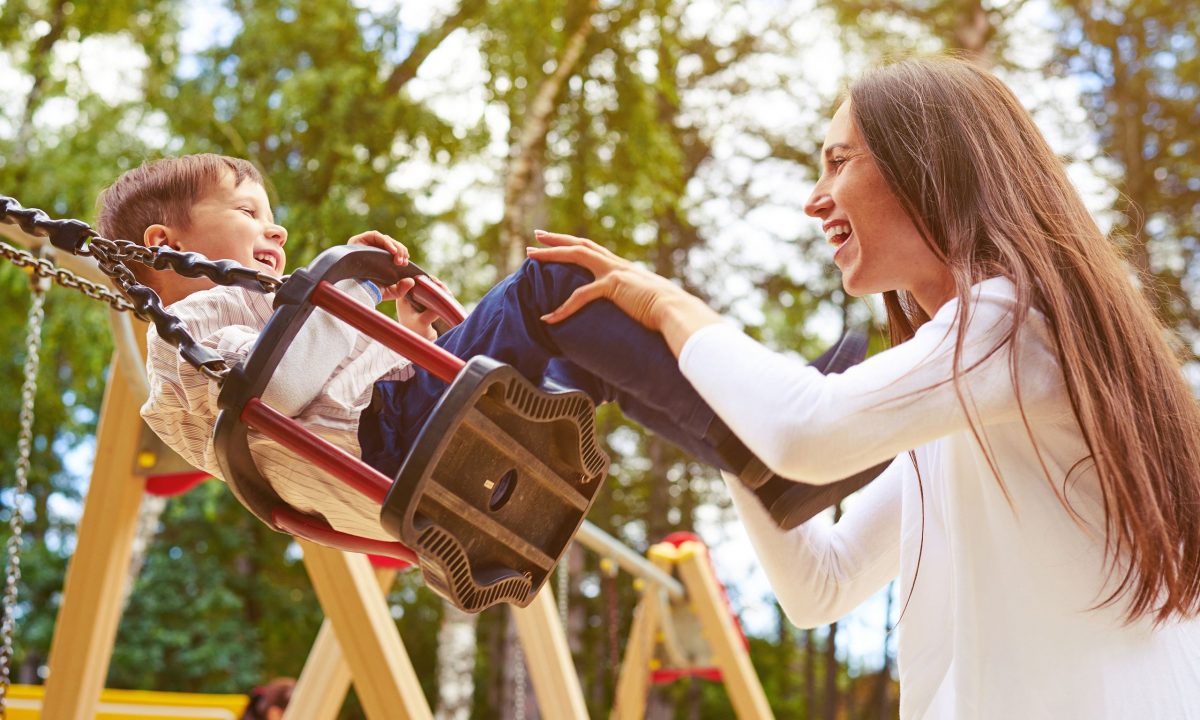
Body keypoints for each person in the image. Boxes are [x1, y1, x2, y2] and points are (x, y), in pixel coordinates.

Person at [527, 56, 1200, 718]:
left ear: (928, 166)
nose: (814, 198)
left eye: (839, 161)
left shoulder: (1015, 324)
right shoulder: (970, 403)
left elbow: (808, 431)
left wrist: (670, 307)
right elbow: (823, 584)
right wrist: (713, 412)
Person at [98, 153, 864, 542]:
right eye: (246, 211)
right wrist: (350, 286)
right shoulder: (191, 324)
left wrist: (412, 333)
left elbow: (330, 387)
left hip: (399, 440)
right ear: (164, 245)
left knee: (586, 345)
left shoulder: (257, 311)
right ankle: (766, 428)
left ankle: (760, 460)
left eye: (273, 216)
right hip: (397, 442)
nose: (276, 229)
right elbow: (280, 388)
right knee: (553, 285)